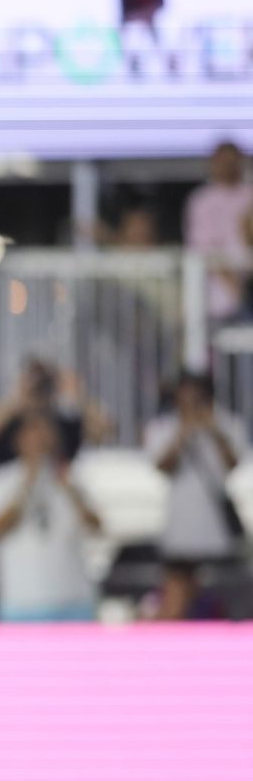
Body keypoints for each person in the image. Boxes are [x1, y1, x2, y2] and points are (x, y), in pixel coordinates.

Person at [0, 412, 101, 622]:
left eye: (46, 430)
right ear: (18, 440)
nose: (39, 438)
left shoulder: (72, 476)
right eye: (32, 431)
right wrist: (27, 483)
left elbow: (96, 526)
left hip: (74, 600)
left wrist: (70, 488)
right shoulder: (1, 479)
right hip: (20, 603)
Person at [144, 371, 247, 620]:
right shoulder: (163, 427)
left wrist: (211, 429)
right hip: (179, 538)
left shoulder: (226, 424)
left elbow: (233, 464)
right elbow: (163, 466)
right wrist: (184, 431)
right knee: (177, 604)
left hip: (217, 539)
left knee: (220, 611)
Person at [184, 141, 253, 320]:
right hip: (216, 292)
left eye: (232, 162)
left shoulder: (249, 195)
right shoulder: (202, 200)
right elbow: (202, 248)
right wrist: (234, 287)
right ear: (213, 163)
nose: (227, 167)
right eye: (223, 162)